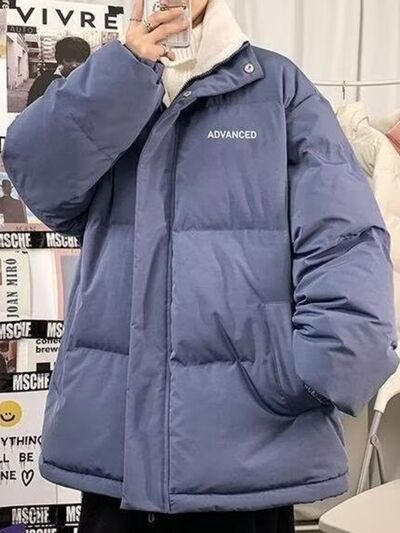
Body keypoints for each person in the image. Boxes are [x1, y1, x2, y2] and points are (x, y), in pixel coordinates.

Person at [2, 0, 399, 532]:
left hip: (249, 439)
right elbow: (40, 178)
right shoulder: (104, 82)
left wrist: (320, 369)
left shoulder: (276, 88)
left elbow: (342, 236)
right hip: (115, 442)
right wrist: (125, 68)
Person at [26, 36, 90, 106]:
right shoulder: (43, 81)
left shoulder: (89, 81)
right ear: (60, 60)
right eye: (68, 60)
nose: (74, 65)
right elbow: (31, 106)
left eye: (79, 61)